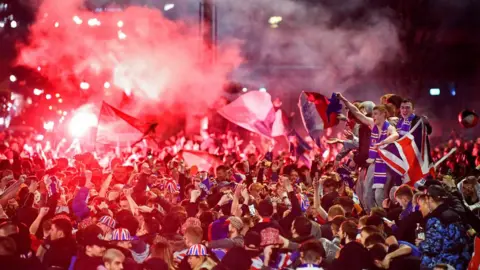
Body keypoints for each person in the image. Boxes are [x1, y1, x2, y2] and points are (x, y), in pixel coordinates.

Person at [338, 93, 399, 210]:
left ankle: (384, 221)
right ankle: (371, 219)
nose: (373, 116)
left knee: (379, 195)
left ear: (383, 115)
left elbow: (395, 135)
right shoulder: (371, 123)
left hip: (385, 163)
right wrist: (343, 99)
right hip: (373, 162)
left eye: (376, 114)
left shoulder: (390, 126)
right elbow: (356, 113)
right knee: (366, 195)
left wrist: (382, 142)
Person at [418, 185, 472, 270]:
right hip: (462, 259)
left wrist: (420, 244)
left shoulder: (434, 219)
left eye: (427, 199)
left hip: (446, 262)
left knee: (423, 261)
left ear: (431, 199)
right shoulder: (454, 212)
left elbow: (433, 248)